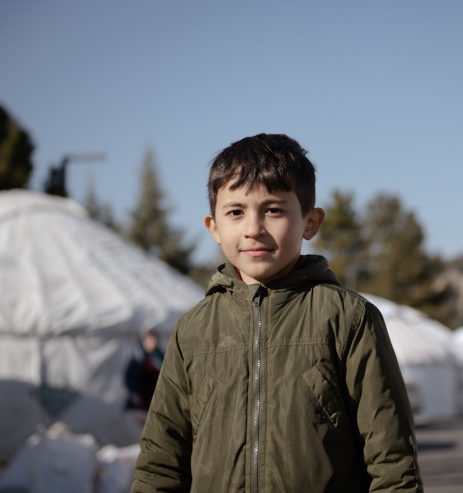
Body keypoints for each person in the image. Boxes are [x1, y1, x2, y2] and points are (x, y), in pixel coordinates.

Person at [130, 134, 423, 492]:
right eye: (236, 212)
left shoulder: (348, 318)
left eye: (273, 210)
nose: (253, 229)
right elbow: (160, 462)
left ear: (310, 222)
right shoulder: (192, 331)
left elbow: (392, 459)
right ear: (214, 227)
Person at [124, 328, 164, 412]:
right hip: (139, 402)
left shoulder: (161, 357)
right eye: (149, 340)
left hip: (156, 401)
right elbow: (129, 378)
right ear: (143, 341)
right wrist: (134, 393)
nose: (152, 343)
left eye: (153, 340)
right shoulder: (137, 359)